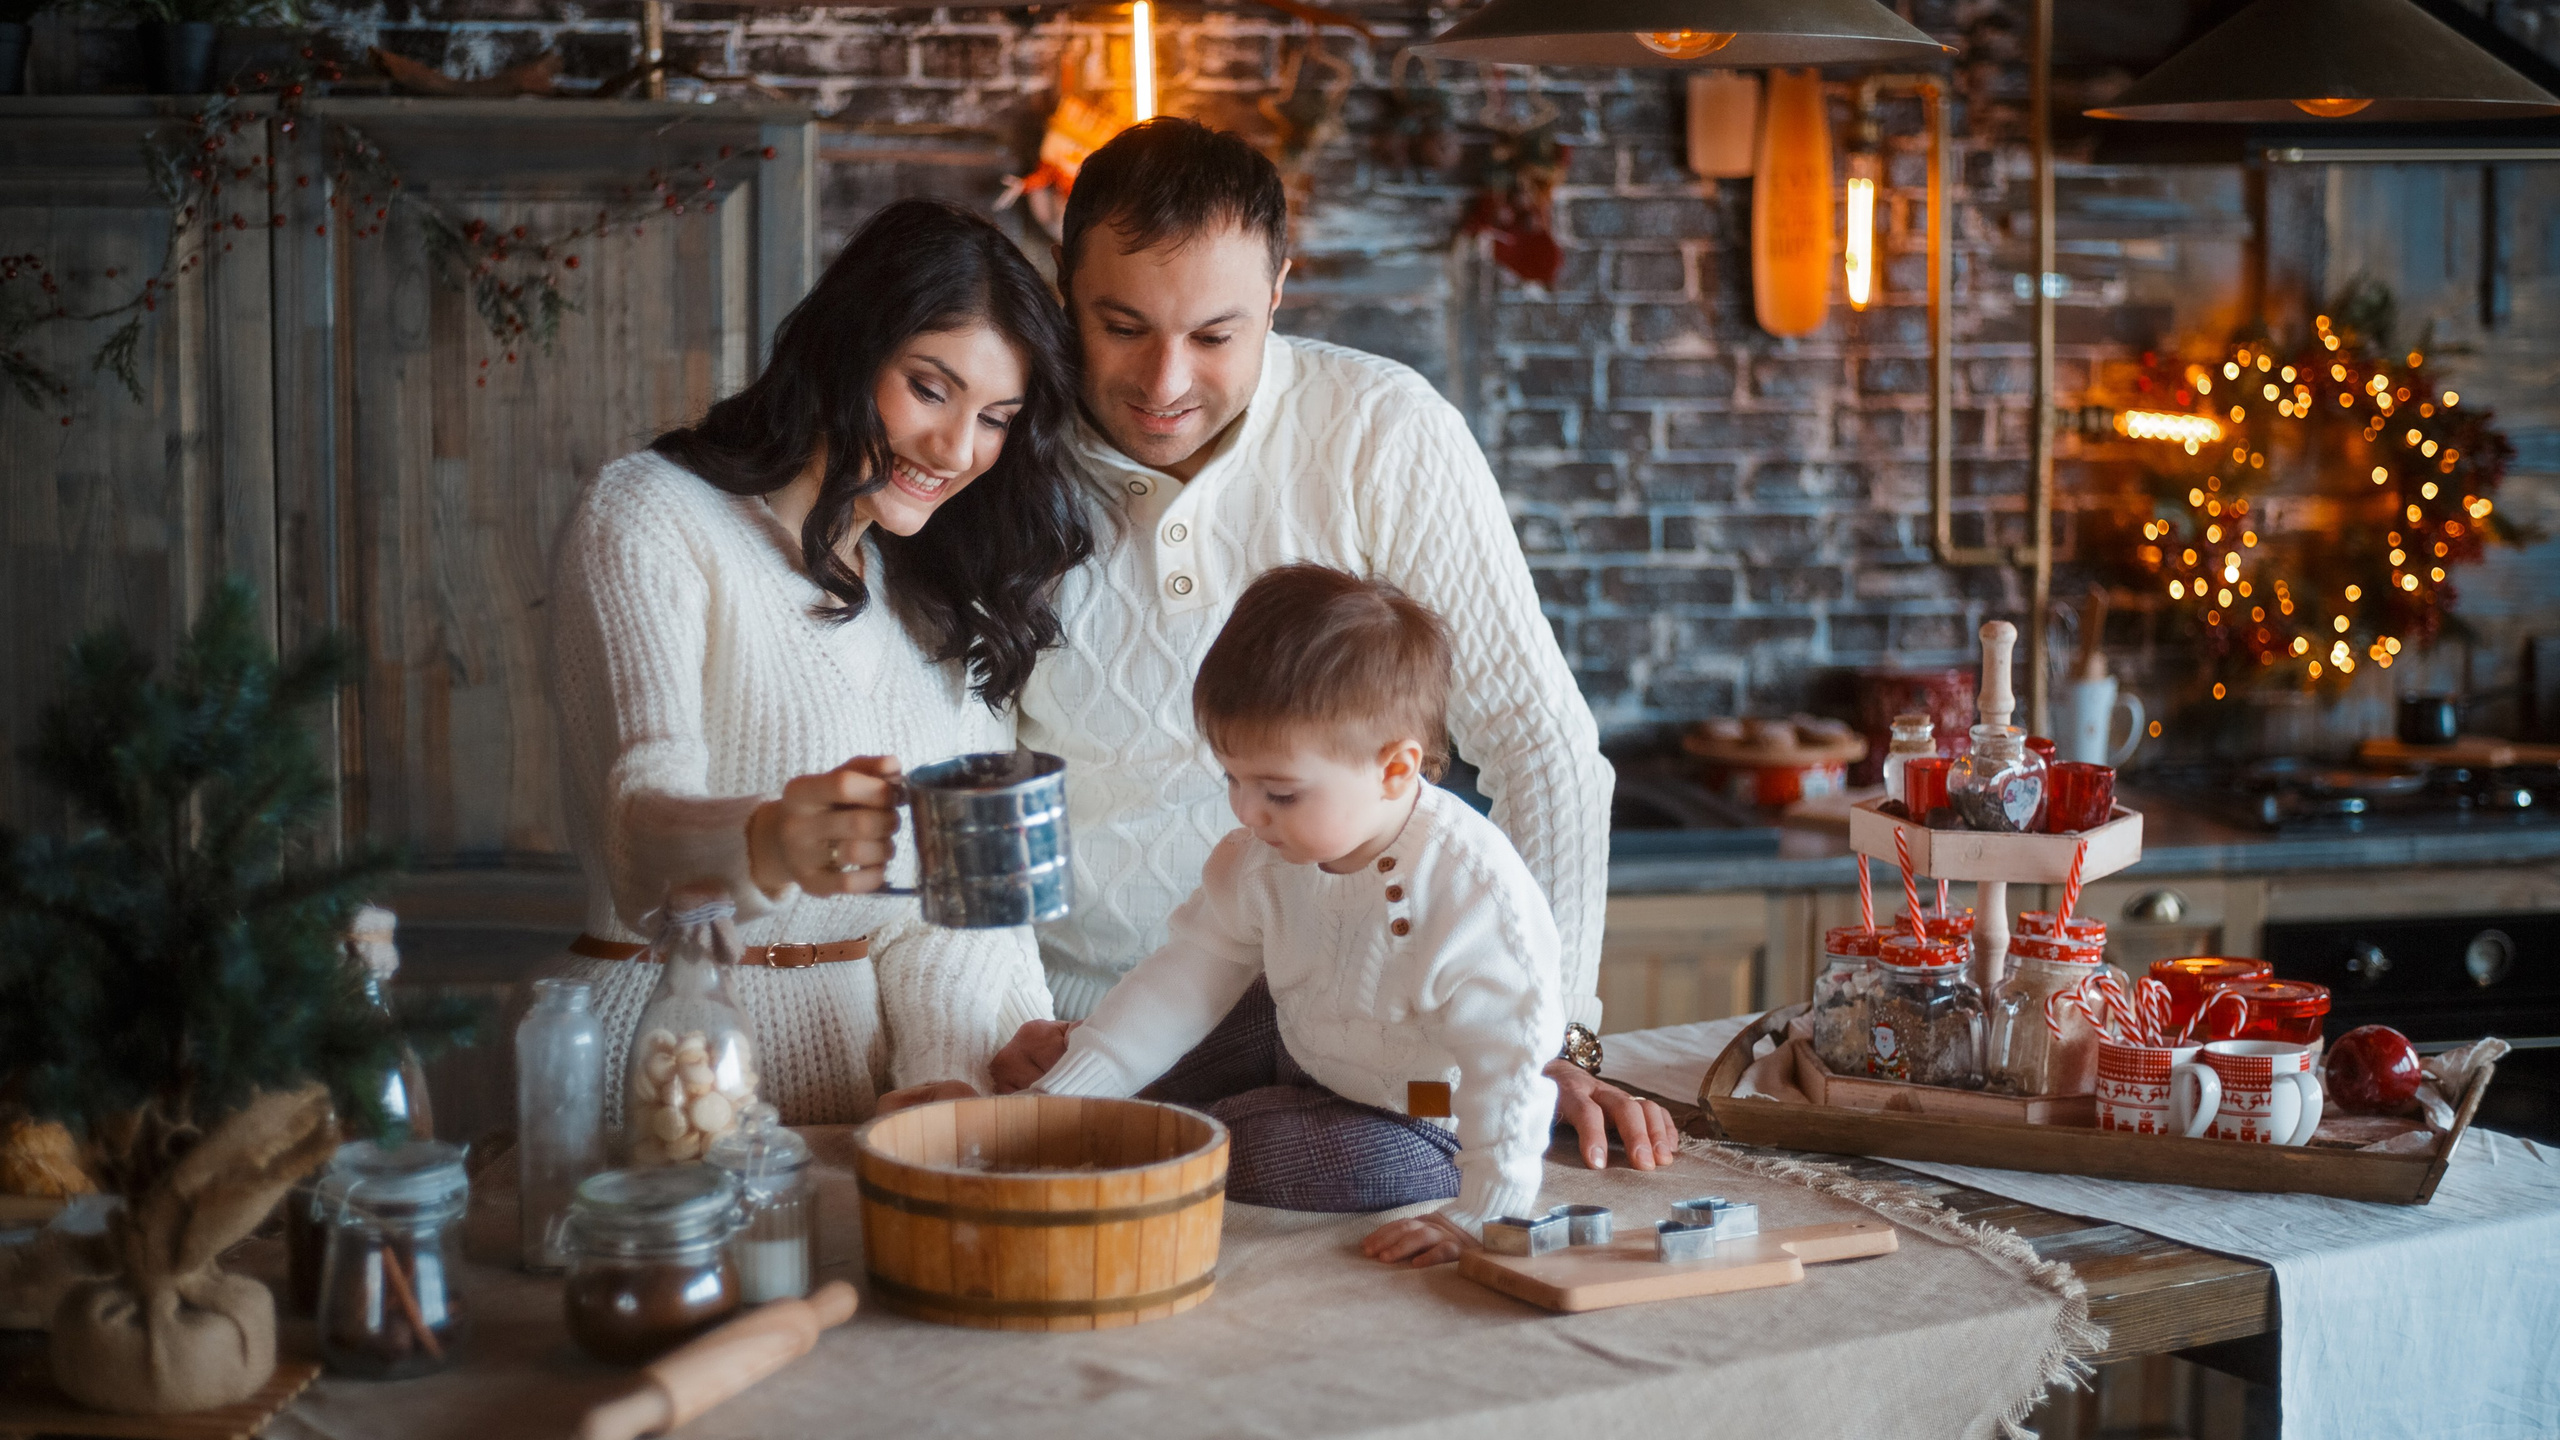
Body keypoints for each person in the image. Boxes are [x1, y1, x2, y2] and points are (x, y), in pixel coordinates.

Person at [999, 117, 1678, 1169]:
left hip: (1363, 1037)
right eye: (1121, 325)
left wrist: (1552, 1043)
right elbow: (967, 784)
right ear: (1061, 287)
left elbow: (1540, 748)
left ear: (1278, 290)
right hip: (1099, 1026)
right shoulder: (995, 455)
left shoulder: (1381, 433)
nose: (1164, 380)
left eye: (1216, 336)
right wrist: (1007, 1019)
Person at [543, 198, 1091, 1125]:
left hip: (859, 1105)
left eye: (996, 417)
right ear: (846, 349)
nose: (957, 450)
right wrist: (771, 840)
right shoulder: (652, 515)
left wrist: (965, 1076)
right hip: (664, 1077)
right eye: (929, 388)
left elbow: (937, 922)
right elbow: (638, 840)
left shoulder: (933, 592)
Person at [1027, 565, 1561, 1268]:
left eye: (1279, 792)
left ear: (1395, 771)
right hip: (1302, 1036)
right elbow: (1185, 979)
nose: (1247, 813)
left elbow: (1511, 1064)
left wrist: (1486, 1207)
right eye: (1233, 780)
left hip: (1423, 1111)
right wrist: (1058, 1099)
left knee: (1267, 1150)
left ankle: (1194, 1134)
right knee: (1172, 1036)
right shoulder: (1261, 857)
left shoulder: (1471, 896)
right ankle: (1116, 1117)